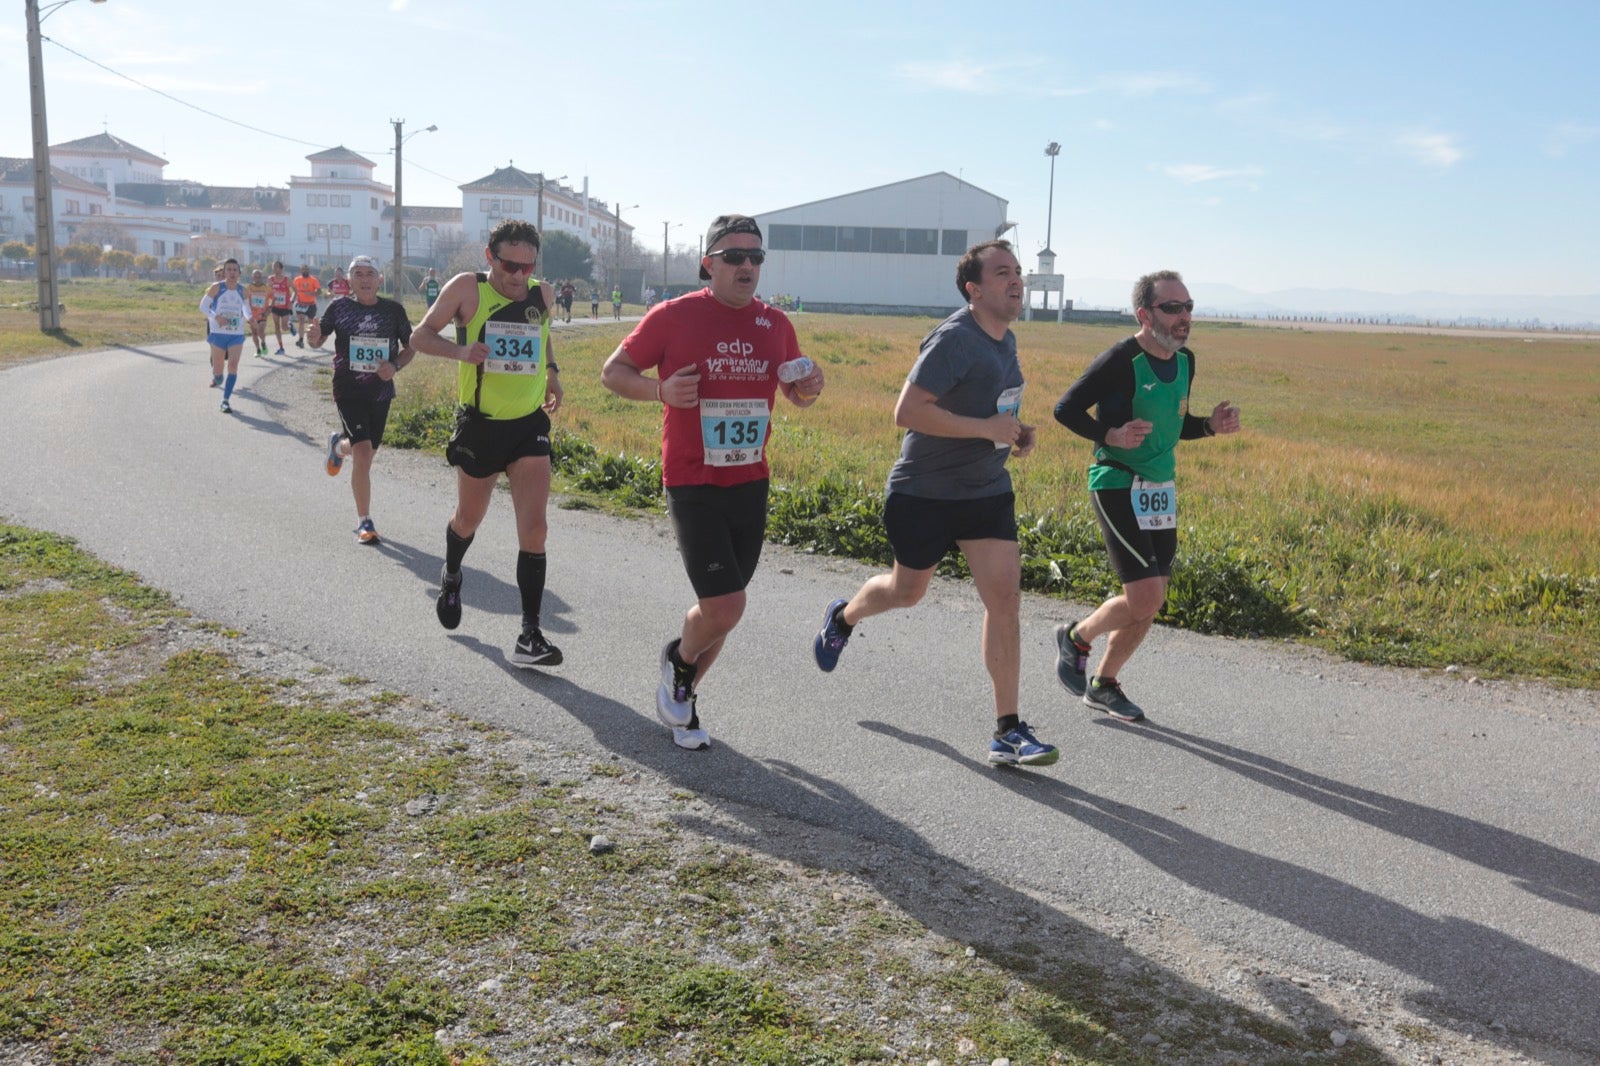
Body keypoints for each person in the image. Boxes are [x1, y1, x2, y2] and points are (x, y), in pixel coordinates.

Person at [811, 240, 1056, 768]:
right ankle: (845, 617)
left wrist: (1013, 430)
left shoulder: (1004, 339)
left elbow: (989, 407)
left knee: (1006, 601)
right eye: (1002, 274)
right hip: (924, 491)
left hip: (985, 491)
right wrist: (984, 428)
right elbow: (907, 412)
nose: (1016, 281)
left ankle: (1007, 730)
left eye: (1018, 272)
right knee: (906, 591)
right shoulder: (954, 340)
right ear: (974, 289)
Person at [600, 214, 825, 751]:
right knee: (726, 605)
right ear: (709, 263)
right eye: (735, 257)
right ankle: (678, 663)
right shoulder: (673, 316)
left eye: (756, 257)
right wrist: (660, 392)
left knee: (724, 608)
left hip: (750, 479)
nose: (747, 266)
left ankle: (683, 693)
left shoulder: (775, 324)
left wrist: (810, 387)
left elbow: (796, 390)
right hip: (693, 480)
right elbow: (613, 372)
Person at [1051, 270, 1241, 721]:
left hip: (1160, 489)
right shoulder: (1121, 358)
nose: (1183, 317)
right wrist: (1108, 434)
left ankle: (1104, 682)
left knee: (1152, 595)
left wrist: (1209, 426)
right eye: (1172, 308)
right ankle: (1076, 637)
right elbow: (1065, 409)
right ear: (1144, 314)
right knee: (1145, 596)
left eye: (1188, 307)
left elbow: (1174, 426)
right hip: (1116, 481)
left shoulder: (1186, 361)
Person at [410, 219, 566, 668]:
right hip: (481, 424)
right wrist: (461, 352)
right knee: (468, 519)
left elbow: (543, 332)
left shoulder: (544, 294)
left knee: (535, 529)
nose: (518, 275)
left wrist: (552, 372)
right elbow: (420, 336)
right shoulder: (467, 289)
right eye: (509, 265)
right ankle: (453, 572)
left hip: (528, 425)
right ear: (490, 257)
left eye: (527, 266)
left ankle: (529, 635)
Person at [307, 255, 415, 544]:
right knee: (364, 454)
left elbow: (410, 347)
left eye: (370, 274)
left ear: (379, 279)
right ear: (350, 281)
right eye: (358, 274)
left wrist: (395, 367)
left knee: (365, 452)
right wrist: (314, 337)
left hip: (380, 391)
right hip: (348, 389)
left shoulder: (393, 311)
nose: (364, 279)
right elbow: (318, 340)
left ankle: (338, 447)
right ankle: (364, 521)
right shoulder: (340, 307)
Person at [200, 258, 249, 413]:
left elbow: (247, 310)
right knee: (219, 369)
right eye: (229, 269)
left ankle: (225, 401)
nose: (232, 272)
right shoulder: (216, 288)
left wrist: (251, 319)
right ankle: (218, 377)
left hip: (236, 333)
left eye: (235, 270)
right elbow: (203, 307)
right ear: (224, 272)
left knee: (233, 366)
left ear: (239, 273)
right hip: (218, 332)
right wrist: (216, 317)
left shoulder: (243, 290)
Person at [291, 265, 322, 349]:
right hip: (300, 304)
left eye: (307, 270)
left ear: (309, 271)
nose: (305, 271)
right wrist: (292, 301)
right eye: (303, 270)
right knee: (301, 321)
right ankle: (300, 340)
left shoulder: (313, 280)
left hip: (311, 304)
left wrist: (312, 293)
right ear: (301, 271)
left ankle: (313, 339)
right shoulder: (297, 279)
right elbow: (295, 291)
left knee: (310, 323)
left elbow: (319, 291)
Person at [267, 260, 293, 354]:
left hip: (285, 307)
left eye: (277, 267)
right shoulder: (271, 279)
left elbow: (295, 291)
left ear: (281, 269)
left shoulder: (287, 280)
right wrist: (269, 302)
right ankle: (281, 347)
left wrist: (291, 301)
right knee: (277, 326)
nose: (274, 269)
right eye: (273, 267)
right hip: (275, 306)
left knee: (284, 327)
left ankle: (290, 326)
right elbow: (268, 291)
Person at [244, 268, 272, 356]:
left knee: (260, 331)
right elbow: (245, 301)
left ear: (262, 277)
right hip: (252, 315)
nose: (257, 278)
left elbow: (274, 299)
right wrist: (247, 313)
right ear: (252, 277)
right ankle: (258, 350)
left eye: (259, 277)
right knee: (254, 333)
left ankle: (263, 342)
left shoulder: (267, 288)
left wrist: (269, 309)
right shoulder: (248, 288)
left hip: (263, 314)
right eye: (255, 277)